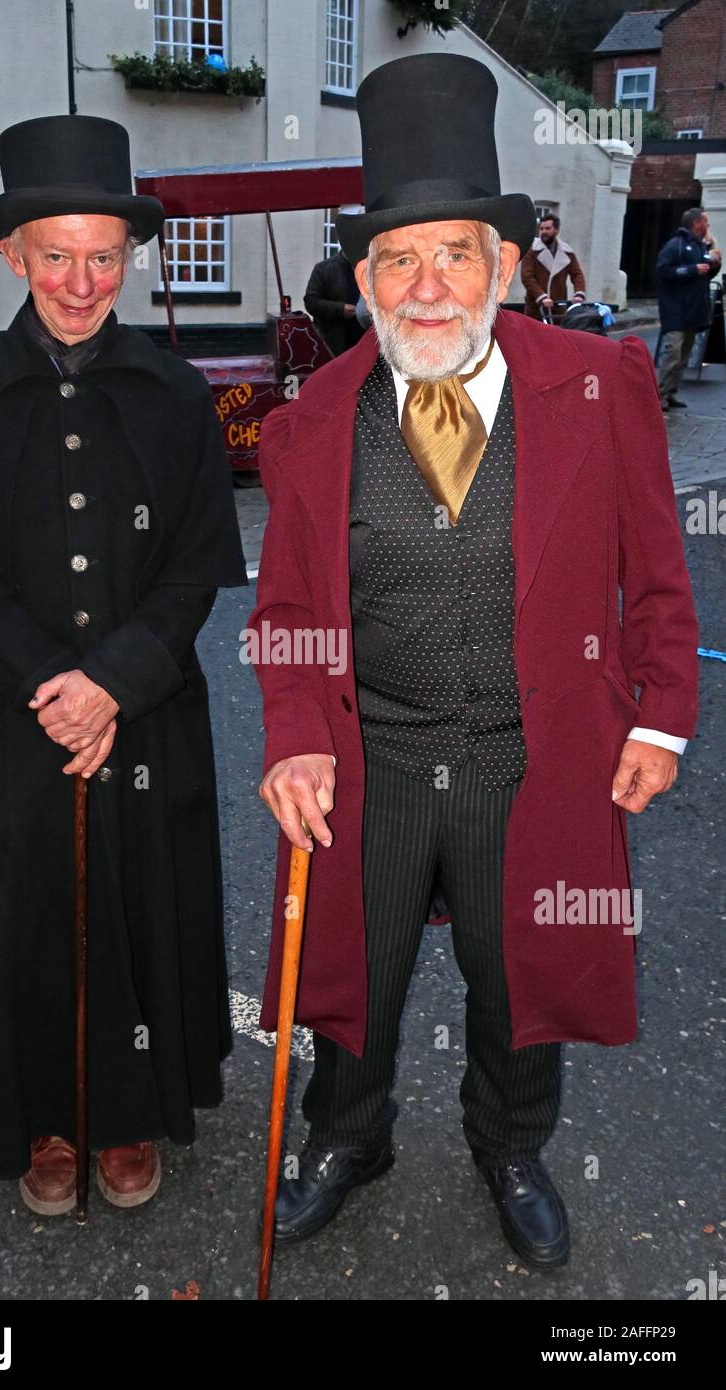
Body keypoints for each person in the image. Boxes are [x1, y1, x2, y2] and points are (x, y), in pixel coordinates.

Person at [248, 54, 699, 1272]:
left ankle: (510, 1145)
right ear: (362, 278)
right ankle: (347, 1137)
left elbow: (658, 574)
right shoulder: (306, 423)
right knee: (357, 974)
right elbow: (285, 603)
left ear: (505, 266)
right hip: (372, 756)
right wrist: (293, 728)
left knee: (522, 976)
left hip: (533, 755)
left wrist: (658, 719)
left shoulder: (601, 390)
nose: (427, 282)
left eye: (454, 252)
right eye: (397, 256)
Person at [0, 115, 247, 1216]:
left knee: (144, 905)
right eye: (58, 253)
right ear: (13, 255)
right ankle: (40, 1118)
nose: (82, 280)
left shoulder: (179, 397)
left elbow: (195, 567)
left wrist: (116, 683)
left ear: (128, 257)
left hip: (149, 718)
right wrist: (54, 687)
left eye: (104, 255)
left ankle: (132, 1112)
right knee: (19, 919)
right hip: (8, 723)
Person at [656, 207, 722, 412]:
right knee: (673, 352)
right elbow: (663, 271)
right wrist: (693, 269)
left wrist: (714, 266)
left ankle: (671, 392)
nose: (708, 225)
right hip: (675, 309)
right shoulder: (675, 245)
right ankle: (660, 395)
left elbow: (703, 277)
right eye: (705, 221)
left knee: (684, 356)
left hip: (693, 310)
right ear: (696, 223)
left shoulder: (700, 247)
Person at [304, 218, 368, 356]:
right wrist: (340, 309)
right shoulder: (324, 269)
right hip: (335, 345)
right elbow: (311, 301)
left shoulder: (370, 269)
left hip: (365, 345)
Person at [520, 213, 586, 319]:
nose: (544, 231)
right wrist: (541, 297)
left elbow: (577, 274)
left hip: (558, 305)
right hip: (536, 307)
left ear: (556, 230)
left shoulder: (566, 251)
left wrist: (579, 293)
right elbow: (527, 277)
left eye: (547, 228)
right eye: (541, 229)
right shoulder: (532, 250)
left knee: (557, 334)